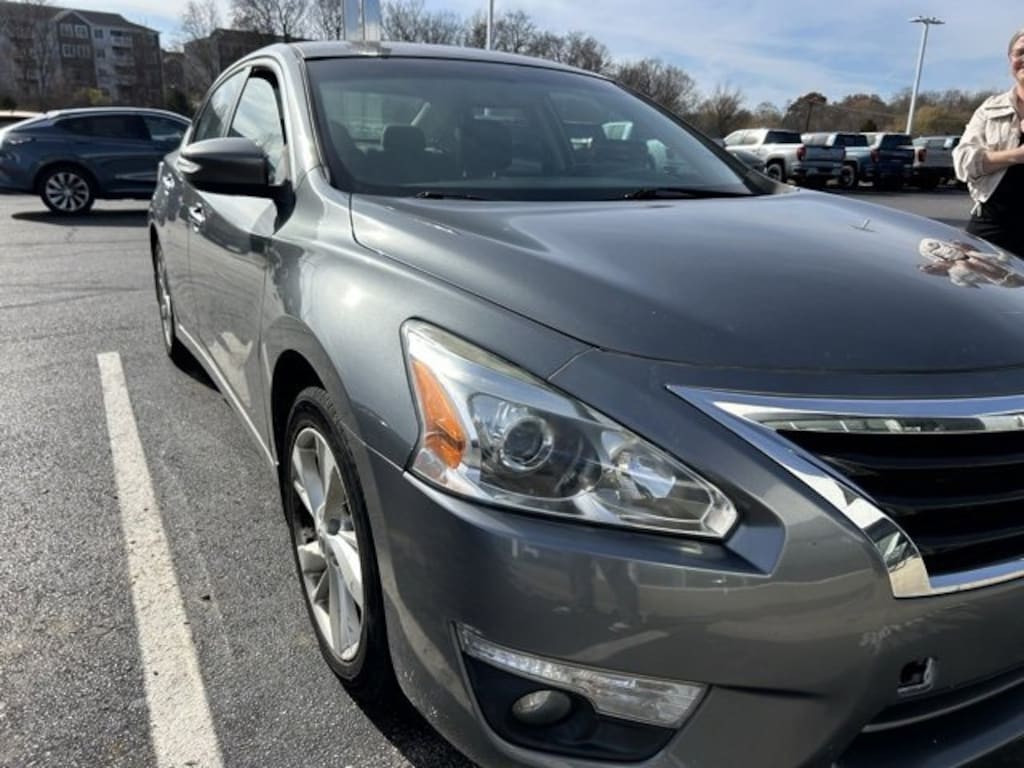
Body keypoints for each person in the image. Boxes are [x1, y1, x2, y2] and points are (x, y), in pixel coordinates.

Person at [953, 27, 1024, 256]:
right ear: (1010, 59)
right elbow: (963, 163)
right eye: (1020, 52)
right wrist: (1017, 155)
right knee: (967, 286)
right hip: (992, 223)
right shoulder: (991, 108)